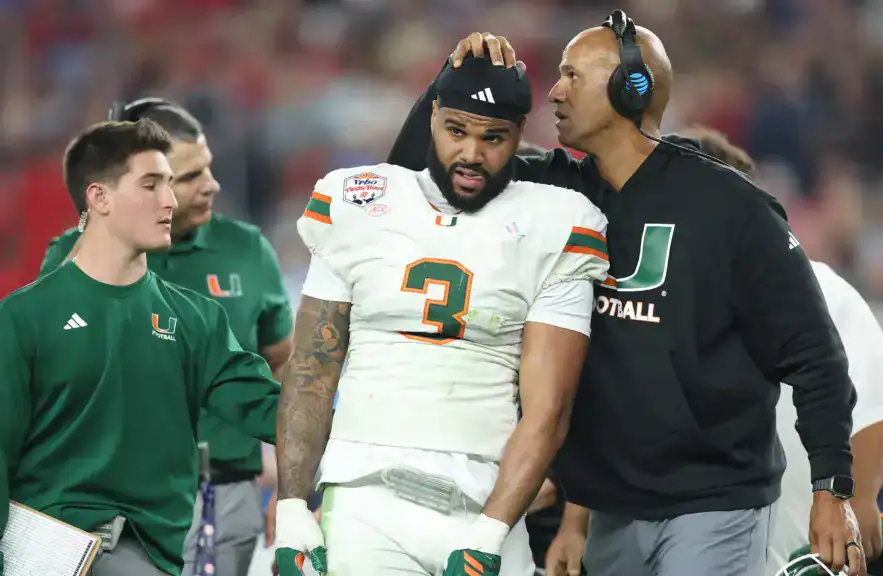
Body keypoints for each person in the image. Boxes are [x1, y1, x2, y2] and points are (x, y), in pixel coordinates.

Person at [385, 11, 863, 576]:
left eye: (571, 76)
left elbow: (815, 356)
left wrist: (832, 490)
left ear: (627, 89)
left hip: (713, 502)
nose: (554, 91)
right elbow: (415, 172)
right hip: (610, 509)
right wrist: (454, 77)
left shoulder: (730, 207)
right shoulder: (556, 189)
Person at [272, 55, 609, 576]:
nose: (471, 154)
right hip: (367, 499)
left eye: (493, 138)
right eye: (456, 130)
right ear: (432, 116)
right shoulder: (358, 199)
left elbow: (550, 409)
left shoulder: (558, 221)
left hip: (487, 500)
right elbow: (314, 367)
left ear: (521, 132)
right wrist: (293, 505)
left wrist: (490, 534)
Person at [0, 119, 280, 576]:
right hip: (45, 552)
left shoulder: (197, 320)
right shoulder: (24, 317)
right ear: (99, 197)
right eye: (150, 184)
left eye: (169, 184)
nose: (169, 200)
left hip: (147, 552)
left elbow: (272, 410)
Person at [672, 128, 883, 575]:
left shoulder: (818, 285)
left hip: (799, 556)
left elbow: (880, 408)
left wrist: (859, 496)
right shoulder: (642, 298)